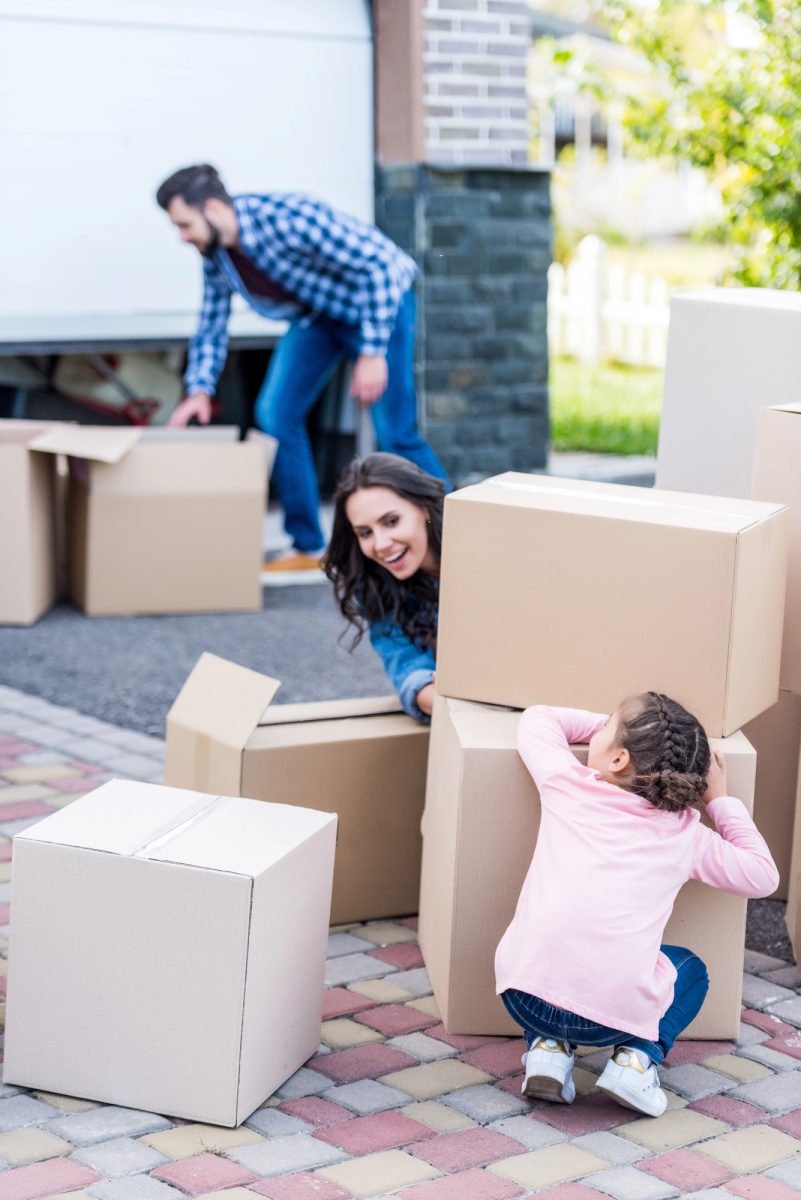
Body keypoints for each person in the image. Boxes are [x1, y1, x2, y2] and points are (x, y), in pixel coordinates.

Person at [496, 692, 779, 1117]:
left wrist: (632, 730)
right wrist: (719, 799)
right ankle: (636, 1060)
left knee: (552, 950)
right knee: (690, 970)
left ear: (618, 759)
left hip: (523, 995)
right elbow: (763, 875)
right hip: (611, 1017)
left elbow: (539, 718)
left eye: (607, 727)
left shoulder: (566, 785)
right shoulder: (684, 833)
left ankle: (548, 1050)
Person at [155, 164, 450, 570]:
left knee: (395, 431)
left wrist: (372, 351)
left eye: (185, 224)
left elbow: (383, 268)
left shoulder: (288, 218)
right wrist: (199, 389)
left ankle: (458, 535)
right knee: (276, 415)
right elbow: (211, 322)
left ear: (212, 208)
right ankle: (310, 547)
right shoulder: (217, 255)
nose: (183, 237)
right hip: (321, 318)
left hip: (380, 305)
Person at [324, 453, 444, 722]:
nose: (380, 544)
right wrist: (450, 696)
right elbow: (410, 672)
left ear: (423, 508)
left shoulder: (482, 547)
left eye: (391, 522)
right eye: (365, 533)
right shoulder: (376, 588)